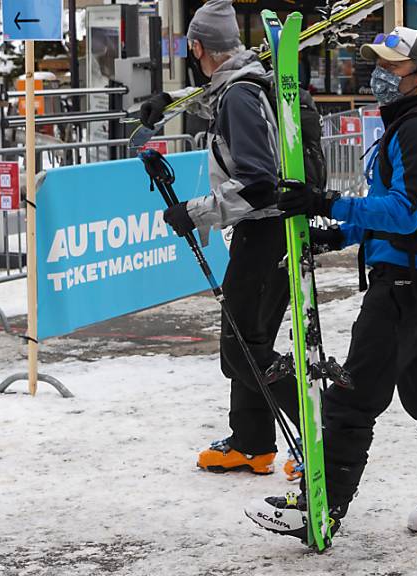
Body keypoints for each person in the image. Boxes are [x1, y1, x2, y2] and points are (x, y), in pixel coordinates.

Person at [245, 26, 417, 541]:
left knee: (352, 397)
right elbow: (394, 212)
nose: (380, 75)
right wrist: (337, 233)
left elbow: (405, 214)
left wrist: (327, 201)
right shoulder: (406, 125)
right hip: (415, 277)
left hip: (408, 281)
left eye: (392, 67)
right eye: (377, 64)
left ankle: (320, 506)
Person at [139, 0, 301, 479]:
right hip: (267, 230)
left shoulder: (240, 96)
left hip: (266, 229)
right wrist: (169, 101)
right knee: (248, 337)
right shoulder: (242, 82)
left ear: (196, 46)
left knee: (242, 349)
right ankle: (251, 443)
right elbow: (216, 93)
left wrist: (195, 213)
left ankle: (324, 429)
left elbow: (259, 183)